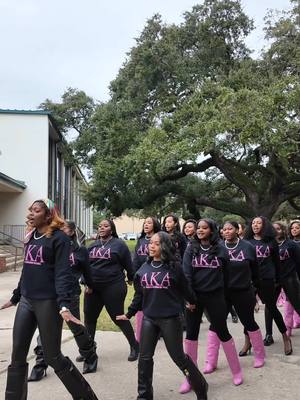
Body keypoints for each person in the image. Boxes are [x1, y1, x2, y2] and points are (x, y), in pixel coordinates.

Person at [1, 199, 98, 399]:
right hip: (27, 301)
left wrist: (63, 304)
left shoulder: (59, 239)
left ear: (48, 216)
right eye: (30, 210)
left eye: (36, 211)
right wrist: (16, 296)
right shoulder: (31, 237)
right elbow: (27, 269)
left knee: (53, 357)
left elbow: (63, 273)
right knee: (17, 355)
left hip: (48, 302)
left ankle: (86, 397)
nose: (30, 214)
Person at [116, 231, 208, 400]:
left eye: (156, 243)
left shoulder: (174, 267)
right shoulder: (143, 269)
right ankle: (144, 395)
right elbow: (139, 295)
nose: (151, 246)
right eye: (150, 243)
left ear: (165, 246)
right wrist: (129, 313)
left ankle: (201, 387)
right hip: (149, 318)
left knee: (179, 358)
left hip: (170, 318)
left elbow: (185, 288)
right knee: (144, 358)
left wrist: (192, 301)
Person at [26, 220, 97, 381]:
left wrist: (90, 286)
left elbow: (87, 272)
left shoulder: (80, 251)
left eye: (63, 227)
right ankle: (40, 365)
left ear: (71, 232)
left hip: (69, 294)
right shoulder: (48, 244)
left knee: (76, 327)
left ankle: (90, 355)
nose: (58, 229)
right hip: (49, 295)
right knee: (45, 331)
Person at [180, 218, 243, 393]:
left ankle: (237, 372)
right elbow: (186, 275)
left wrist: (224, 296)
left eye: (204, 228)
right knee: (191, 336)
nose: (200, 230)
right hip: (194, 299)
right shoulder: (190, 249)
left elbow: (228, 274)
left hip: (215, 297)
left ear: (212, 230)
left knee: (223, 332)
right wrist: (189, 299)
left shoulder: (221, 249)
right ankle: (190, 378)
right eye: (198, 228)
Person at [84, 219, 139, 361]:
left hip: (113, 286)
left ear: (112, 229)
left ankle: (134, 346)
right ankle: (89, 350)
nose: (102, 228)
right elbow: (85, 267)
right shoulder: (93, 245)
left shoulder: (119, 245)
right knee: (89, 319)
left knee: (118, 317)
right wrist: (86, 283)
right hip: (93, 288)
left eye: (106, 226)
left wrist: (131, 278)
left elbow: (128, 264)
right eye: (100, 226)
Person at [242, 216, 292, 355]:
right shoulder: (246, 242)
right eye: (253, 223)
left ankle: (285, 337)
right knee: (247, 311)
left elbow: (277, 263)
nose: (255, 225)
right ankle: (248, 342)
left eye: (259, 223)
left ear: (264, 226)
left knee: (272, 309)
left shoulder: (271, 242)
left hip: (267, 279)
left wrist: (278, 281)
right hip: (250, 281)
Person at [220, 221, 265, 367]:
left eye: (230, 229)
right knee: (217, 324)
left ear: (237, 230)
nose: (227, 231)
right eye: (224, 229)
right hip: (223, 293)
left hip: (244, 291)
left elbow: (255, 272)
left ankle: (260, 355)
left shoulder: (248, 247)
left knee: (249, 322)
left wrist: (256, 293)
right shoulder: (218, 247)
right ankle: (211, 361)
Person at [267, 222, 300, 340]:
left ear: (283, 230)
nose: (276, 231)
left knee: (297, 305)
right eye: (273, 229)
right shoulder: (268, 245)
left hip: (289, 278)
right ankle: (268, 334)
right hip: (274, 280)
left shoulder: (290, 244)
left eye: (278, 229)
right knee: (269, 306)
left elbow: (298, 263)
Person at [132, 217, 161, 343]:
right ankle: (139, 336)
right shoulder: (141, 240)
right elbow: (136, 258)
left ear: (155, 225)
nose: (146, 225)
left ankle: (158, 331)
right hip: (142, 276)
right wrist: (133, 274)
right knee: (140, 303)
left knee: (155, 302)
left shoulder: (161, 238)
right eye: (144, 223)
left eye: (149, 223)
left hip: (156, 276)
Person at [288, 220, 300, 328]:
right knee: (291, 301)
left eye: (297, 227)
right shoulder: (288, 243)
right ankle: (289, 326)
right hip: (291, 276)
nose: (294, 230)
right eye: (292, 228)